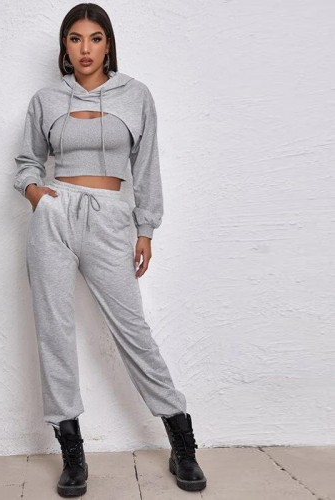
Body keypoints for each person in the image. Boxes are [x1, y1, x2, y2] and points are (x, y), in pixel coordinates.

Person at [13, 3, 207, 496]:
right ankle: (72, 452)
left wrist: (145, 228)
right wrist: (37, 195)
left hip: (111, 219)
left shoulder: (136, 95)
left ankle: (181, 439)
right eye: (75, 39)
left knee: (133, 331)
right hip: (55, 216)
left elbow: (147, 167)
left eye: (95, 38)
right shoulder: (46, 99)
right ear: (64, 46)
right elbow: (27, 160)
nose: (85, 49)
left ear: (108, 44)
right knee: (54, 331)